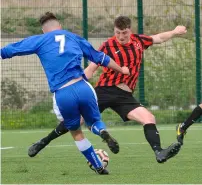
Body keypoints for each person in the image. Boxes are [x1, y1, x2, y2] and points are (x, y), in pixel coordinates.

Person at [28, 15, 187, 164]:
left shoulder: (139, 41)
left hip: (125, 96)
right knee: (76, 121)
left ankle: (159, 152)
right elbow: (91, 69)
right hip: (104, 91)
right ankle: (43, 142)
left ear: (130, 31)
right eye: (118, 33)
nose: (121, 36)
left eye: (124, 33)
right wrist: (74, 86)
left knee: (149, 118)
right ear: (114, 31)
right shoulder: (108, 46)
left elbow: (158, 38)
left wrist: (174, 32)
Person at [0, 12, 131, 175]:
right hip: (83, 87)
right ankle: (102, 132)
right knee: (94, 121)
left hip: (63, 93)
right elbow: (100, 58)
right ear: (60, 26)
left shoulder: (40, 40)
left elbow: (10, 50)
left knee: (76, 132)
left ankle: (98, 166)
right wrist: (121, 69)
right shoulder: (73, 37)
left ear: (43, 31)